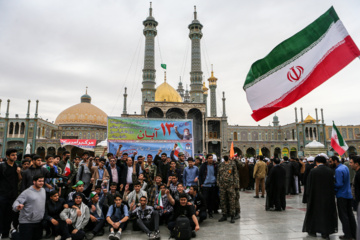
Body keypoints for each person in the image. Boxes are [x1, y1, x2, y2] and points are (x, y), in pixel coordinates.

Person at [302, 155, 338, 239]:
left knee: (315, 213)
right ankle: (326, 232)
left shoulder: (313, 171)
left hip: (315, 196)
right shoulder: (330, 171)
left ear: (316, 162)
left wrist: (308, 195)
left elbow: (309, 185)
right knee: (327, 214)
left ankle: (313, 230)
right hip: (328, 196)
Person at [329, 156, 356, 239]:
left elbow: (339, 184)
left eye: (331, 161)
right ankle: (354, 233)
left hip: (341, 195)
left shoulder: (338, 170)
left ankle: (347, 235)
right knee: (350, 215)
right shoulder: (345, 167)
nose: (330, 163)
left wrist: (332, 186)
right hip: (348, 194)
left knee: (343, 215)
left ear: (335, 161)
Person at [12, 174, 46, 240]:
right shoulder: (27, 192)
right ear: (34, 182)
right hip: (27, 222)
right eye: (39, 181)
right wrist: (17, 207)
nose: (42, 183)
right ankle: (13, 233)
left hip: (39, 221)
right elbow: (16, 202)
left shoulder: (43, 190)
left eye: (42, 181)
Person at [0, 148, 21, 239]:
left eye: (16, 154)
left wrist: (19, 173)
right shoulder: (2, 166)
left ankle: (7, 231)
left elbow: (19, 179)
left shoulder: (17, 166)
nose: (15, 156)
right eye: (13, 155)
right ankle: (1, 232)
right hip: (3, 194)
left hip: (13, 195)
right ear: (7, 156)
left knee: (10, 214)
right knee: (1, 214)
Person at [217, 155, 239, 223]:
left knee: (232, 201)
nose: (225, 157)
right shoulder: (221, 164)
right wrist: (218, 182)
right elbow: (218, 174)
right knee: (223, 200)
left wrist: (235, 184)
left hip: (230, 185)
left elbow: (235, 174)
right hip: (222, 186)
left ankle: (232, 216)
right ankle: (224, 215)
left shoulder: (233, 164)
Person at [199, 153, 218, 219]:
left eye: (211, 158)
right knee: (205, 200)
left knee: (212, 200)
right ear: (206, 159)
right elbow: (200, 175)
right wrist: (201, 183)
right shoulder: (203, 166)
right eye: (209, 158)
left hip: (213, 185)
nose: (211, 159)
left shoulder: (215, 165)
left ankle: (210, 212)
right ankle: (204, 212)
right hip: (205, 185)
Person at [349, 155, 360, 240]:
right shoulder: (357, 173)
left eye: (351, 162)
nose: (350, 164)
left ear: (356, 164)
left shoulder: (359, 174)